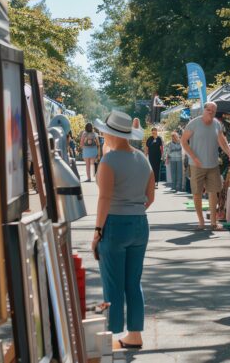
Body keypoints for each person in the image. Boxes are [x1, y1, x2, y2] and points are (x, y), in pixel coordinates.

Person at [91, 111, 155, 351]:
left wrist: (98, 231)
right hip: (140, 223)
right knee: (133, 282)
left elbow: (104, 198)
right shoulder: (142, 159)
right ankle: (134, 334)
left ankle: (112, 333)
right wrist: (135, 208)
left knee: (112, 283)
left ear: (110, 133)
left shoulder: (109, 161)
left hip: (115, 224)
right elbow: (150, 197)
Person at [181, 102, 230, 230]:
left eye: (213, 110)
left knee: (213, 192)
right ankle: (201, 222)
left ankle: (213, 222)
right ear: (203, 110)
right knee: (197, 193)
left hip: (213, 164)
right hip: (196, 165)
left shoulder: (217, 124)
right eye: (208, 109)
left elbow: (222, 141)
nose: (210, 112)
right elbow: (183, 141)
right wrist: (193, 157)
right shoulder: (194, 123)